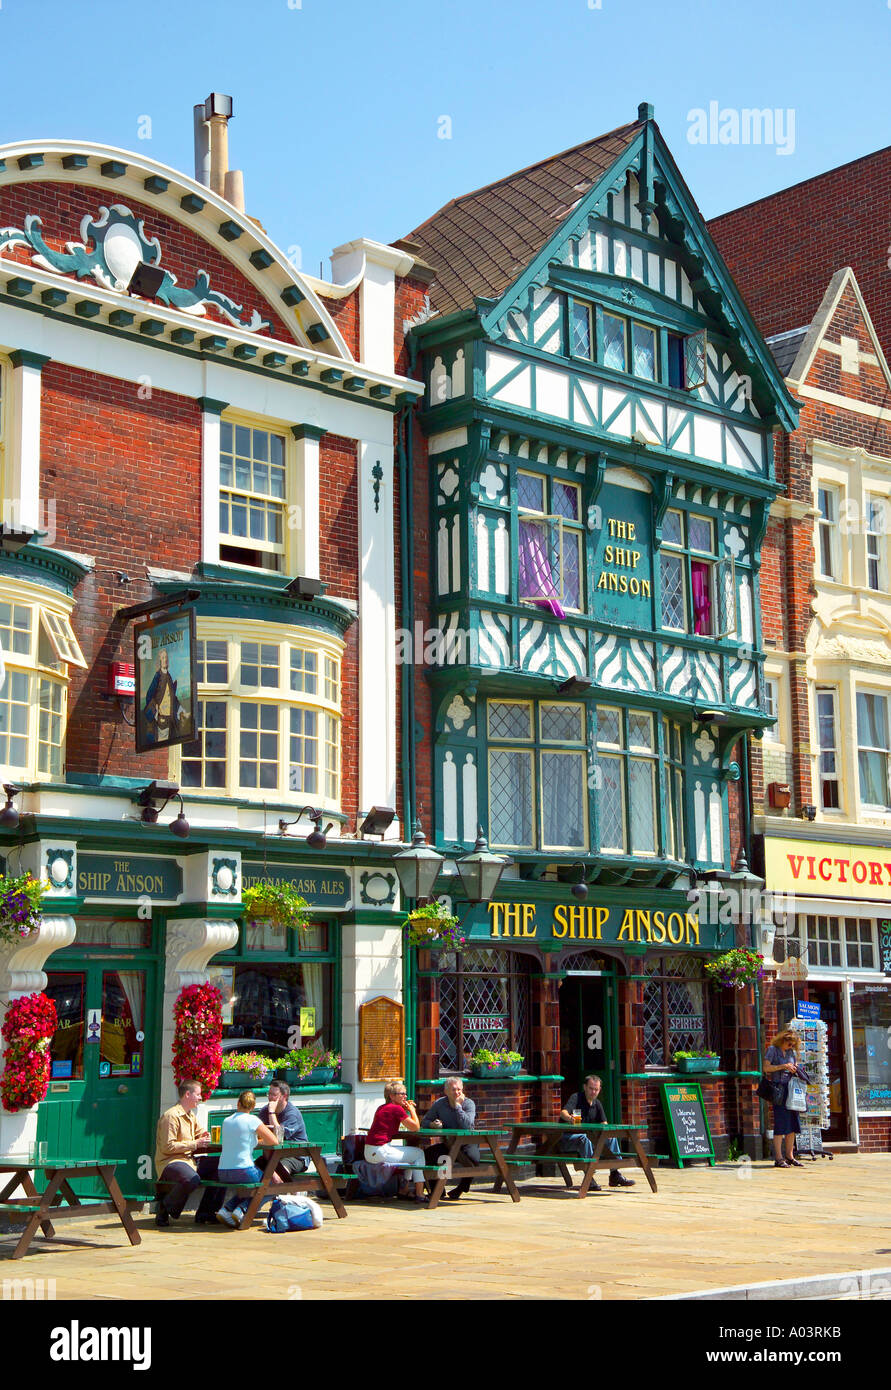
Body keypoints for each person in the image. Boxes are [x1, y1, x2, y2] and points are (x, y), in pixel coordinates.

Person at [154, 1079, 223, 1227]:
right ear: (187, 1094)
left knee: (223, 1166)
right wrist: (194, 1144)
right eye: (198, 1095)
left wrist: (205, 1135)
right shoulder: (171, 1116)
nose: (200, 1098)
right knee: (192, 1178)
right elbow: (167, 1147)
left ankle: (206, 1213)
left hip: (189, 1160)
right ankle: (165, 1207)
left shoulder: (190, 1115)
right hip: (170, 1162)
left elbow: (200, 1134)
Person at [558, 1074, 635, 1190]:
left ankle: (615, 1173)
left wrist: (606, 1134)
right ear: (585, 1087)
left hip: (588, 1140)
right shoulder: (576, 1098)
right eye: (591, 1088)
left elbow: (604, 1123)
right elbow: (563, 1112)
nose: (593, 1092)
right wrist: (570, 1118)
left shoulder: (597, 1104)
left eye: (596, 1089)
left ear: (599, 1090)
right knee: (583, 1138)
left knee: (611, 1138)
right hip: (567, 1139)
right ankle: (589, 1178)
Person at [216, 1089, 281, 1227]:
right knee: (272, 1185)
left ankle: (226, 1209)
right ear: (252, 1107)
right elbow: (273, 1141)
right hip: (243, 1170)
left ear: (238, 1103)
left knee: (252, 1187)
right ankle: (242, 1209)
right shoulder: (253, 1120)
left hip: (222, 1171)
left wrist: (255, 1141)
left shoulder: (226, 1120)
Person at [364, 1079, 427, 1202]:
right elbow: (415, 1127)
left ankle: (404, 1190)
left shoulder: (382, 1107)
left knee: (411, 1158)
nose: (405, 1096)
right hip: (381, 1150)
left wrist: (403, 1107)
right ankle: (420, 1193)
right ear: (391, 1096)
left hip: (369, 1152)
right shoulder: (396, 1109)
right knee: (419, 1154)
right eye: (401, 1094)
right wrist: (412, 1110)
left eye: (405, 1093)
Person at [423, 1076, 481, 1201]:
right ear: (446, 1091)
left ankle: (461, 1188)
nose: (457, 1092)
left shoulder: (469, 1104)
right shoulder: (440, 1104)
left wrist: (458, 1106)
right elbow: (425, 1121)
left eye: (459, 1089)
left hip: (467, 1142)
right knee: (427, 1155)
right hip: (449, 1143)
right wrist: (432, 1124)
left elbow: (467, 1126)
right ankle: (437, 1190)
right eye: (453, 1090)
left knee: (474, 1160)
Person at [764, 1027, 808, 1168]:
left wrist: (794, 1068)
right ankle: (778, 1157)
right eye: (789, 1044)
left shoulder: (791, 1052)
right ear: (783, 1040)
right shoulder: (773, 1050)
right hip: (779, 1089)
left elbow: (793, 1066)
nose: (791, 1047)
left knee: (793, 1124)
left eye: (793, 1045)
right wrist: (783, 1066)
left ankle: (790, 1156)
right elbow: (766, 1068)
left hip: (791, 1089)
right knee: (781, 1123)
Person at [259, 1079, 310, 1178]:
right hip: (273, 1156)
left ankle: (292, 1190)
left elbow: (278, 1137)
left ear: (284, 1096)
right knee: (252, 1171)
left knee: (276, 1175)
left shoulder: (292, 1114)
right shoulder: (265, 1111)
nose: (270, 1098)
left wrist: (272, 1113)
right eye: (269, 1094)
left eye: (274, 1095)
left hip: (296, 1156)